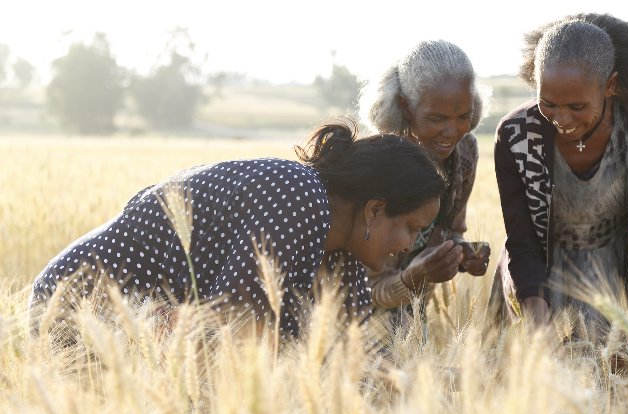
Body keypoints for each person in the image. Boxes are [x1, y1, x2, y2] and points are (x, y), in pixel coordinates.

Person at [30, 120, 447, 342]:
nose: (410, 245)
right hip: (80, 307)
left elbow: (353, 356)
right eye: (411, 228)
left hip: (143, 332)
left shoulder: (342, 256)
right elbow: (231, 332)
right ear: (374, 210)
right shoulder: (299, 198)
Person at [489, 13, 628, 330]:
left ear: (610, 85)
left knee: (618, 374)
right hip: (534, 277)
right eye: (547, 102)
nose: (561, 118)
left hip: (613, 278)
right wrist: (537, 327)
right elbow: (522, 241)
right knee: (529, 374)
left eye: (577, 107)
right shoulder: (517, 136)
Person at [358, 40, 491, 322]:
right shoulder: (377, 166)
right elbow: (362, 286)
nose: (452, 132)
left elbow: (450, 229)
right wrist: (412, 278)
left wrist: (460, 253)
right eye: (436, 118)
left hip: (415, 315)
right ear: (406, 107)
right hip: (359, 320)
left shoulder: (464, 153)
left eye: (463, 116)